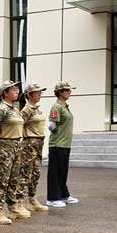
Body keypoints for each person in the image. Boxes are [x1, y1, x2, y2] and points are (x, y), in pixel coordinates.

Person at [0, 80, 30, 224]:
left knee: (14, 178)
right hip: (5, 146)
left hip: (16, 145)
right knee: (2, 180)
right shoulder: (1, 109)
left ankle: (12, 207)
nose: (17, 92)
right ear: (5, 93)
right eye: (13, 90)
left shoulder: (14, 109)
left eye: (17, 90)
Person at [16, 83, 49, 213]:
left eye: (40, 92)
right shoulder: (26, 110)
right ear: (29, 95)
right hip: (29, 144)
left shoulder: (37, 109)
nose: (39, 94)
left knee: (35, 172)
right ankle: (19, 202)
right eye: (36, 92)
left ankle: (32, 199)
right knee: (25, 173)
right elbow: (18, 124)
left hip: (39, 143)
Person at [47, 80, 78, 208]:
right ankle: (53, 197)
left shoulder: (65, 106)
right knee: (55, 171)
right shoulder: (57, 106)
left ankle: (63, 194)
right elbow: (51, 125)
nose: (69, 92)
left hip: (65, 143)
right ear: (60, 92)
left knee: (63, 171)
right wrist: (57, 131)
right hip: (57, 143)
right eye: (67, 90)